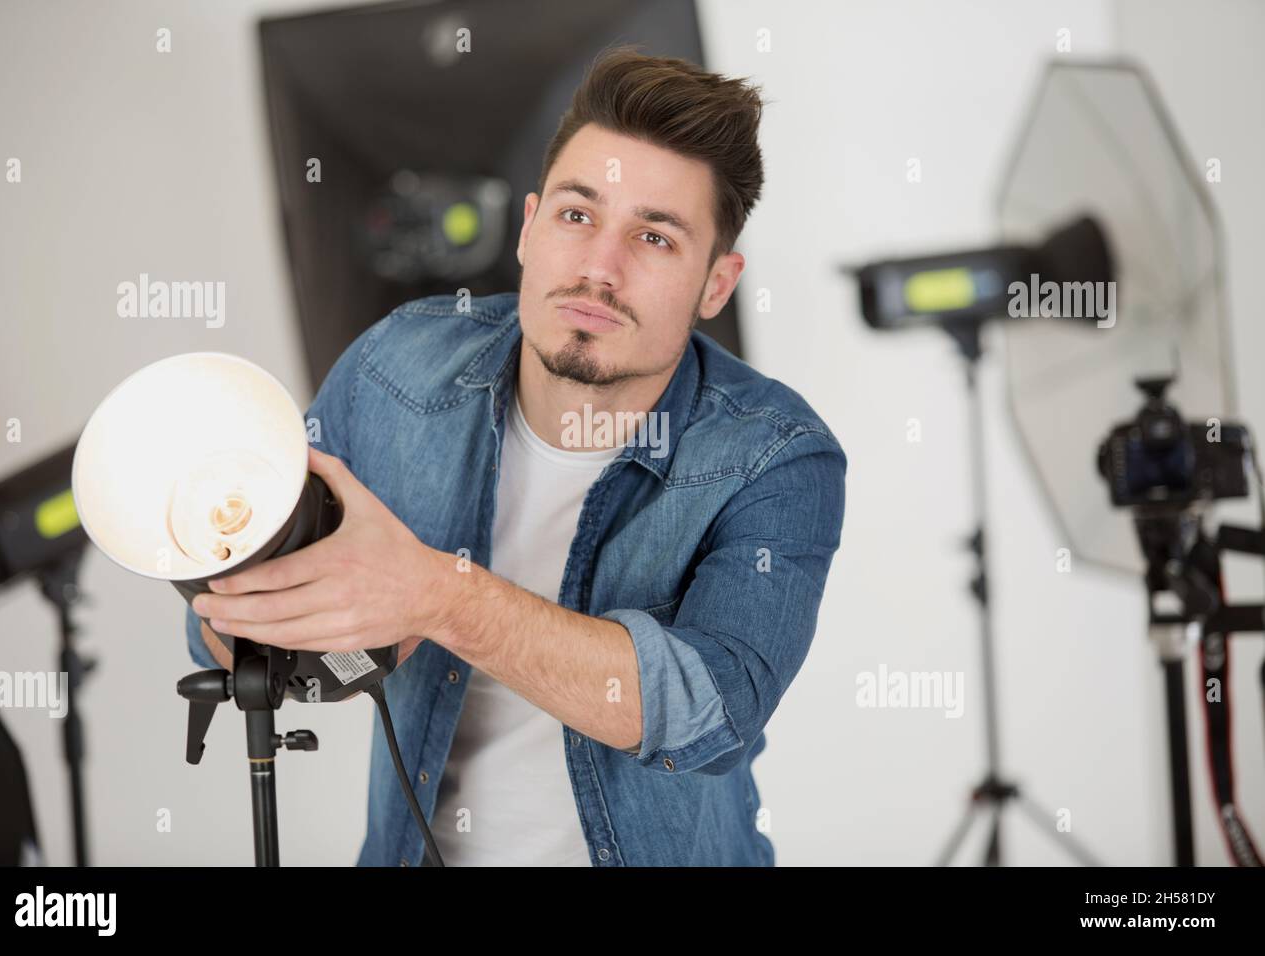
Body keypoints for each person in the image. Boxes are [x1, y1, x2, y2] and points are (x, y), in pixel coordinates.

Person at [185, 44, 846, 866]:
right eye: (578, 216)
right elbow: (239, 641)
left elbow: (707, 712)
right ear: (530, 227)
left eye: (655, 237)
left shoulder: (776, 454)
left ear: (717, 284)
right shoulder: (396, 366)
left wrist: (438, 597)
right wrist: (249, 602)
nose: (600, 269)